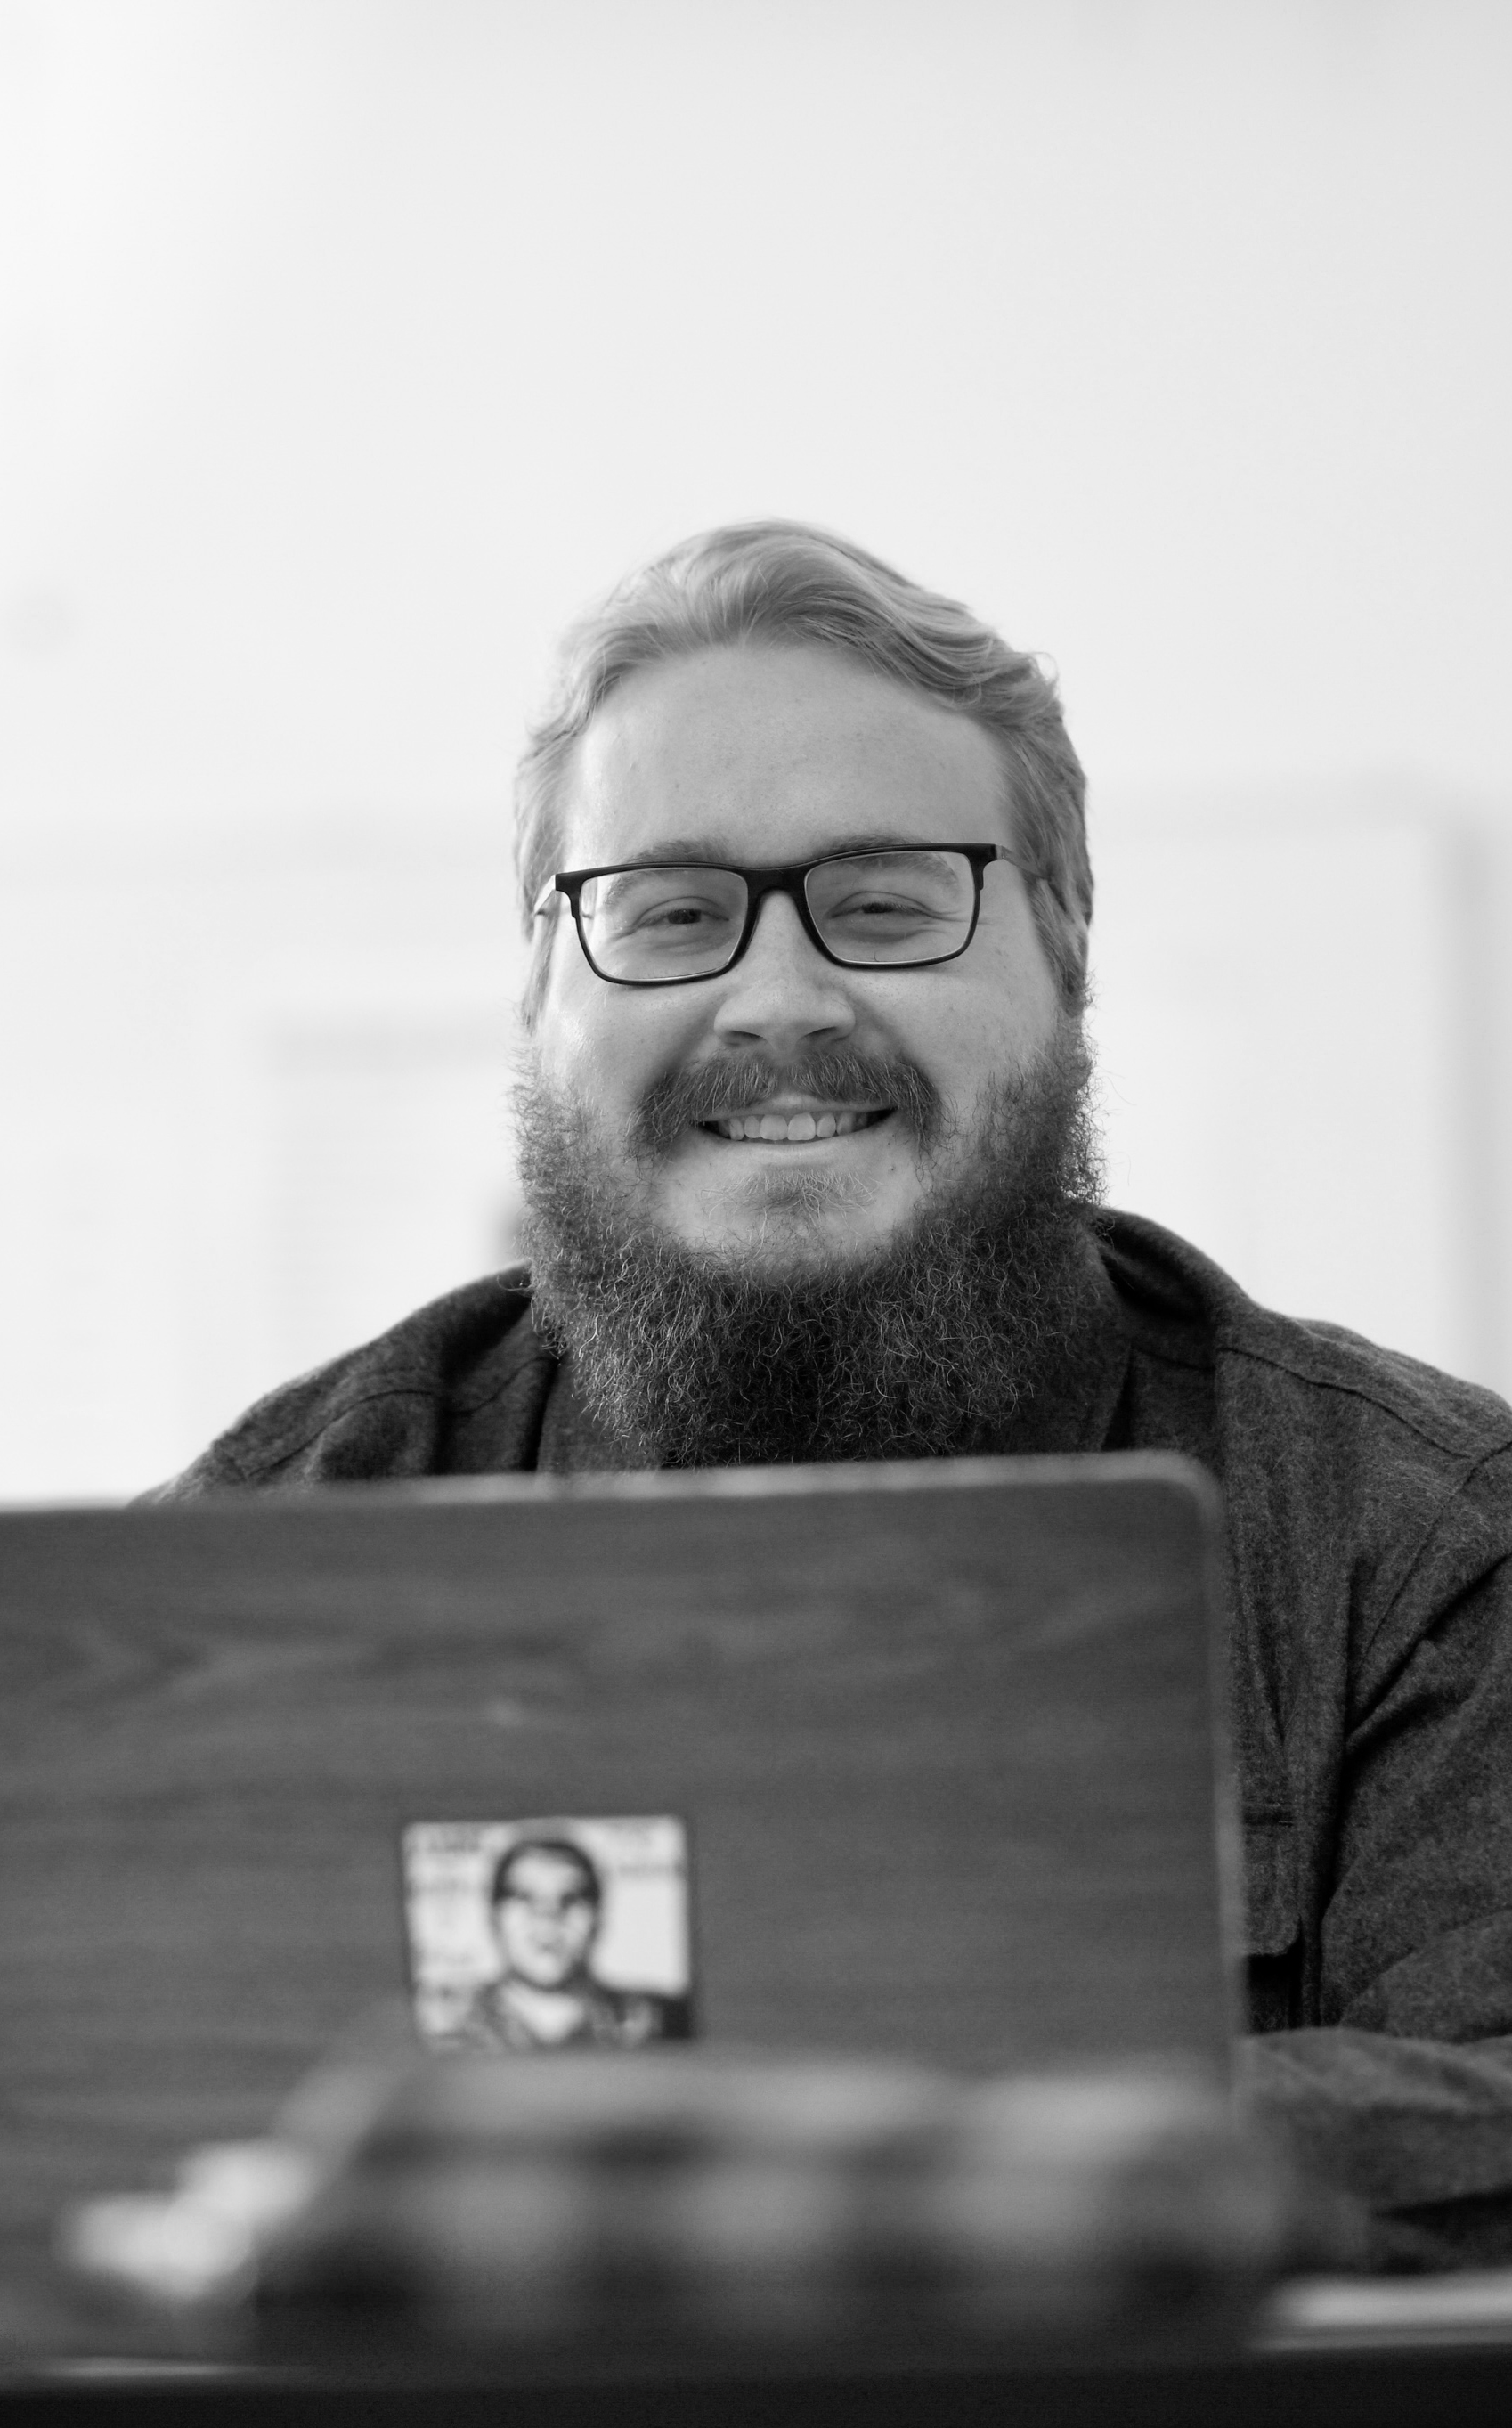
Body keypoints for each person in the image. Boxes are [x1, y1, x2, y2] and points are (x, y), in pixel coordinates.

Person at [157, 521, 1512, 2268]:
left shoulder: (1423, 1553)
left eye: (883, 905)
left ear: (1067, 942)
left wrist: (683, 2160)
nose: (778, 1000)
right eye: (670, 915)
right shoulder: (255, 1550)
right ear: (542, 983)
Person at [452, 1834, 676, 2052]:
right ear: (493, 1918)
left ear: (599, 1918)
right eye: (525, 1897)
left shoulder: (655, 2022)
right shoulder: (450, 2024)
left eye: (571, 1898)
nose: (548, 1918)